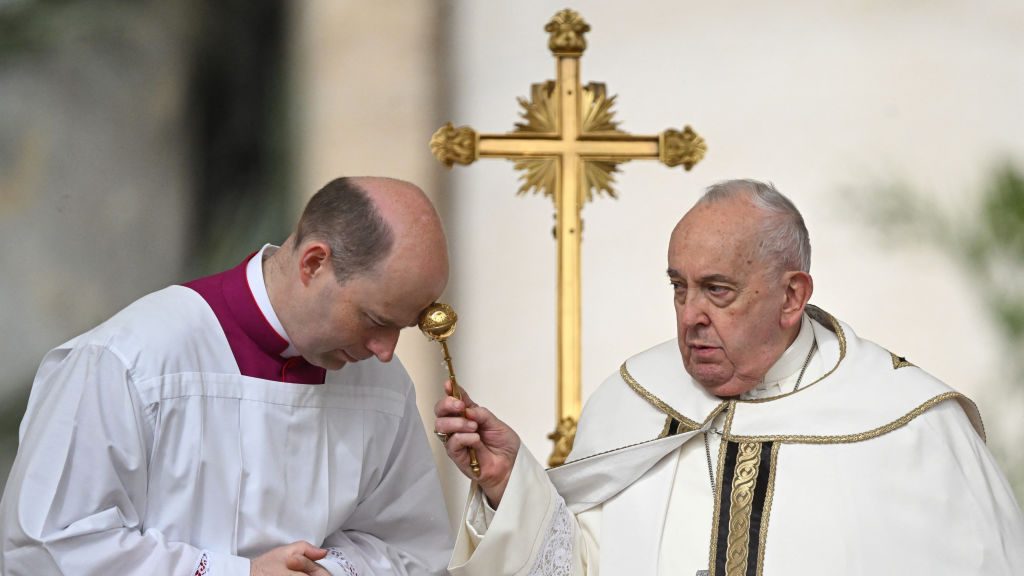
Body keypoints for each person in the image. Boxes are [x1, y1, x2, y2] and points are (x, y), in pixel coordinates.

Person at [434, 179, 1024, 575]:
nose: (692, 316)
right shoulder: (631, 401)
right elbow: (580, 565)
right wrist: (511, 488)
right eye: (679, 287)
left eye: (718, 290)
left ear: (792, 296)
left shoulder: (910, 424)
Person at [1, 177, 453, 576]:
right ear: (314, 264)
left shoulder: (383, 386)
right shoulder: (128, 360)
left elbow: (413, 551)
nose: (386, 350)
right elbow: (47, 548)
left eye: (403, 326)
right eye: (375, 319)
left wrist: (329, 571)